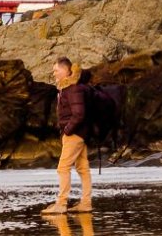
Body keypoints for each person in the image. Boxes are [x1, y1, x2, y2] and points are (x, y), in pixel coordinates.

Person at [44, 57, 93, 215]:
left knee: (63, 168)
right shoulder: (68, 88)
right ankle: (86, 203)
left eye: (56, 70)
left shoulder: (72, 88)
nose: (54, 73)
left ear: (66, 70)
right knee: (83, 168)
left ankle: (61, 203)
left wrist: (67, 130)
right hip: (80, 134)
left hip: (74, 134)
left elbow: (79, 114)